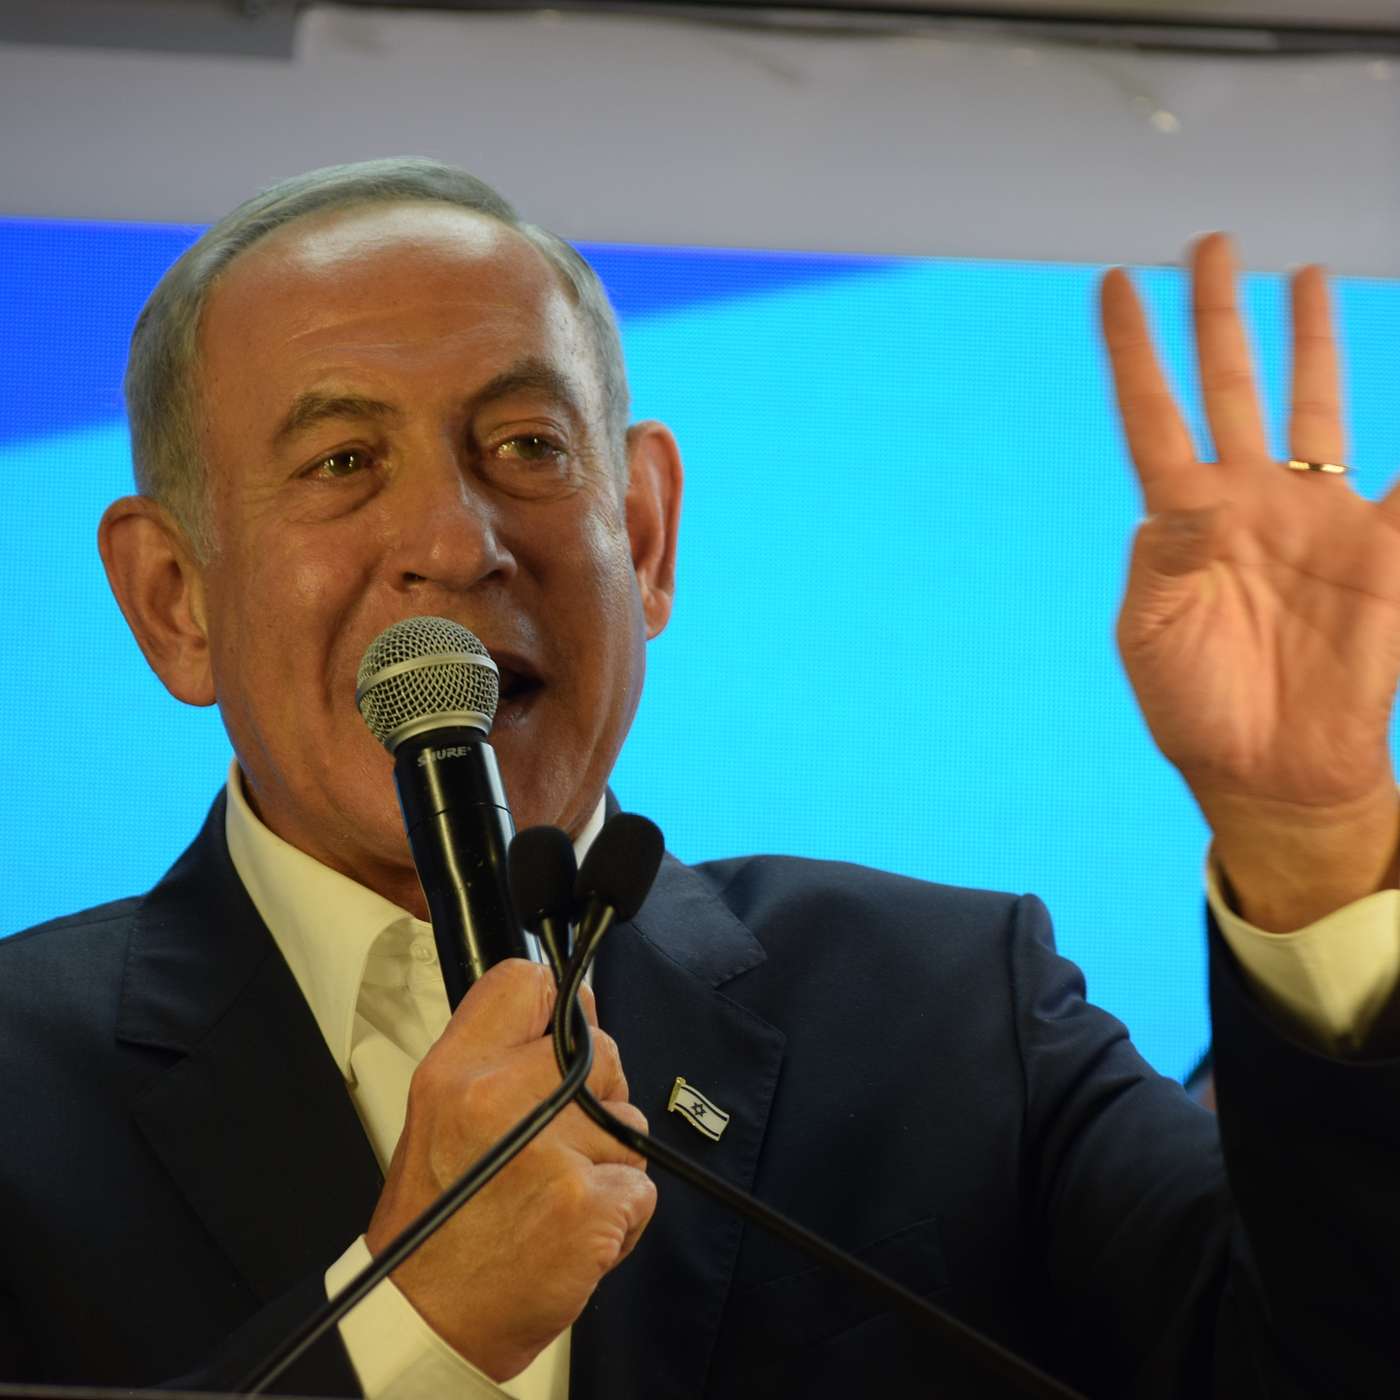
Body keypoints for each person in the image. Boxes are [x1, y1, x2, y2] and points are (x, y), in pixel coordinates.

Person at [1, 157, 1397, 1400]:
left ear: (645, 532)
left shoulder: (953, 1014)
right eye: (343, 460)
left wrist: (1314, 840)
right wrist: (417, 1329)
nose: (453, 541)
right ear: (175, 600)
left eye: (526, 447)